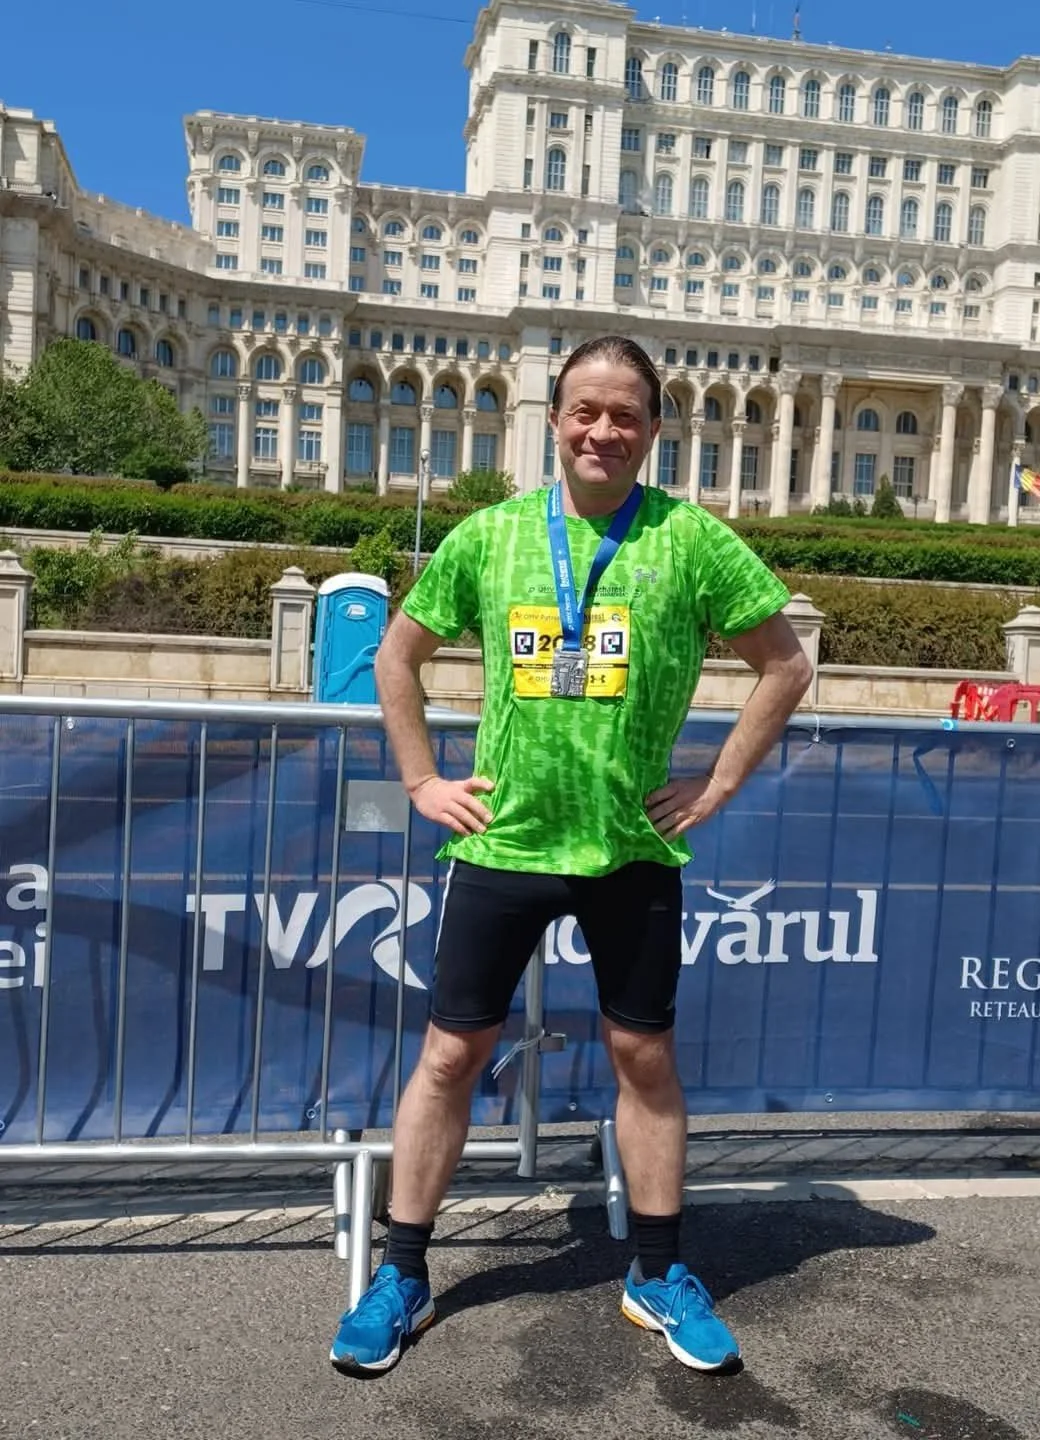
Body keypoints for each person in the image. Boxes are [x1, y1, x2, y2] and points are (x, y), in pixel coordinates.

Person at [331, 335, 812, 1378]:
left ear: (651, 429)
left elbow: (785, 663)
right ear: (553, 418)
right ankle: (403, 1271)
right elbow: (398, 654)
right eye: (585, 411)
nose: (604, 431)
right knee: (452, 1055)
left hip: (634, 847)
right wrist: (421, 781)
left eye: (626, 415)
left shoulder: (692, 541)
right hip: (504, 840)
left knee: (643, 1058)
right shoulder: (495, 535)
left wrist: (719, 782)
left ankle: (656, 1271)